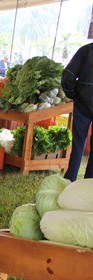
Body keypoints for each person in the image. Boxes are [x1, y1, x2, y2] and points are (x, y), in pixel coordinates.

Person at [62, 41, 93, 181]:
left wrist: (74, 94)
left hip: (82, 103)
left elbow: (68, 76)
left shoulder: (85, 51)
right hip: (82, 102)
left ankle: (70, 178)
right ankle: (89, 183)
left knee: (78, 143)